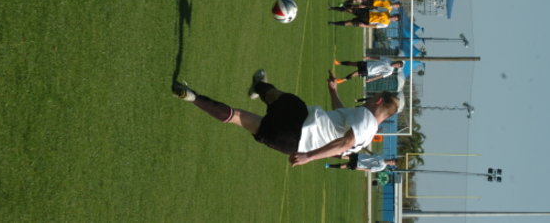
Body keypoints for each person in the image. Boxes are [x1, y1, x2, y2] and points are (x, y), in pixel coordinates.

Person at [171, 70, 401, 166]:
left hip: (301, 120)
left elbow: (344, 142)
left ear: (379, 101)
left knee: (275, 96)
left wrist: (310, 157)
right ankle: (194, 98)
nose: (370, 98)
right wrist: (333, 92)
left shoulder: (367, 119)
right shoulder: (367, 131)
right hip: (291, 143)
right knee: (239, 117)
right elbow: (341, 118)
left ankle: (259, 86)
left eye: (374, 97)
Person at [333, 58, 405, 85]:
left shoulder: (390, 71)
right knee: (352, 63)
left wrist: (371, 79)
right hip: (367, 64)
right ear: (397, 61)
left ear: (397, 67)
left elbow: (380, 76)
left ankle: (341, 80)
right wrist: (369, 57)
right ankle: (338, 63)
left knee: (354, 74)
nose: (397, 65)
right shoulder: (388, 59)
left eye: (398, 65)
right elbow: (379, 58)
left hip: (369, 71)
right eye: (398, 63)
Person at [328, 9, 400, 29]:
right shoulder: (386, 11)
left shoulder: (386, 24)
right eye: (395, 16)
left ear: (394, 21)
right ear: (394, 14)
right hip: (366, 13)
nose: (394, 17)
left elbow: (374, 26)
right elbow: (376, 8)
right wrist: (366, 7)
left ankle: (333, 23)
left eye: (395, 19)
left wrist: (364, 25)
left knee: (349, 22)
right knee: (350, 10)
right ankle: (332, 8)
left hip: (366, 21)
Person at [325, 154, 396, 172]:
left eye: (392, 162)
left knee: (344, 165)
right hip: (360, 157)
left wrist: (359, 169)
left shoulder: (382, 167)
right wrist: (365, 149)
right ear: (392, 158)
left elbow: (370, 169)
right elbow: (373, 154)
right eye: (392, 160)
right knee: (344, 156)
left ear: (391, 164)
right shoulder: (382, 156)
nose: (391, 161)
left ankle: (329, 166)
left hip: (360, 165)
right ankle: (329, 155)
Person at [334, 0, 401, 13]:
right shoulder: (389, 0)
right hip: (372, 0)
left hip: (371, 6)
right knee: (357, 0)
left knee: (356, 6)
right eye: (396, 4)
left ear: (396, 7)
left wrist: (370, 9)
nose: (395, 5)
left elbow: (378, 10)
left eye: (397, 6)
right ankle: (344, 3)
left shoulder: (388, 10)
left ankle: (343, 6)